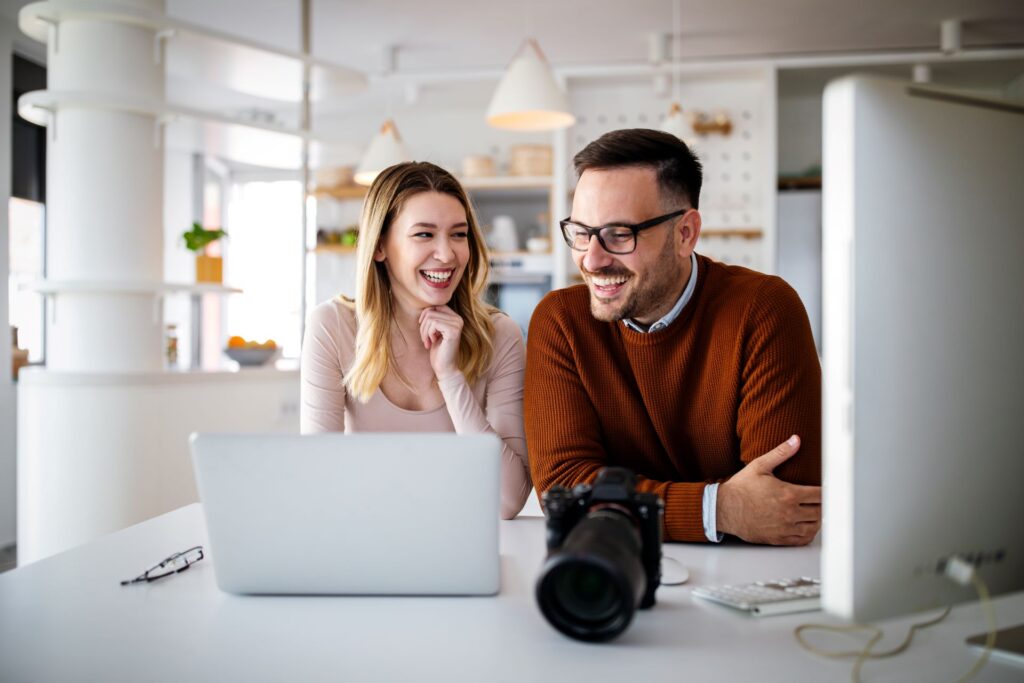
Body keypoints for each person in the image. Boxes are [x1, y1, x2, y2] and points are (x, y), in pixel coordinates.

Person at [524, 129, 821, 545]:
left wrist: (624, 502)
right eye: (581, 231)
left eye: (619, 234)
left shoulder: (765, 309)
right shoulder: (560, 322)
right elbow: (564, 492)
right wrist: (720, 509)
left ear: (685, 233)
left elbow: (785, 502)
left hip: (747, 579)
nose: (591, 259)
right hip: (608, 567)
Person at [301, 161, 531, 519]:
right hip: (366, 538)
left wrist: (451, 378)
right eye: (424, 234)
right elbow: (317, 482)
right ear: (380, 247)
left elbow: (508, 501)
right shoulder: (332, 326)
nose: (447, 254)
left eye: (458, 234)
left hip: (465, 542)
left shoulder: (499, 335)